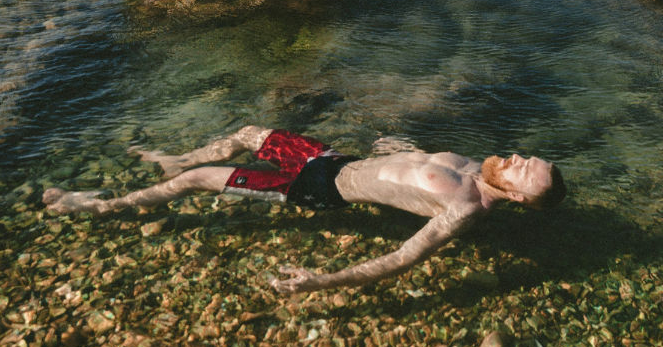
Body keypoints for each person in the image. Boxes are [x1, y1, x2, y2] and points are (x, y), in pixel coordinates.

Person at [42, 125, 565, 294]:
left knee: (200, 182)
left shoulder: (465, 206)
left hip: (318, 191)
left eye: (523, 170)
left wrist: (323, 279)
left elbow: (405, 257)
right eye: (526, 157)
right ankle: (176, 158)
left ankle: (101, 208)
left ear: (516, 197)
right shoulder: (481, 164)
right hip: (335, 159)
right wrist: (394, 145)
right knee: (249, 132)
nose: (516, 158)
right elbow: (414, 161)